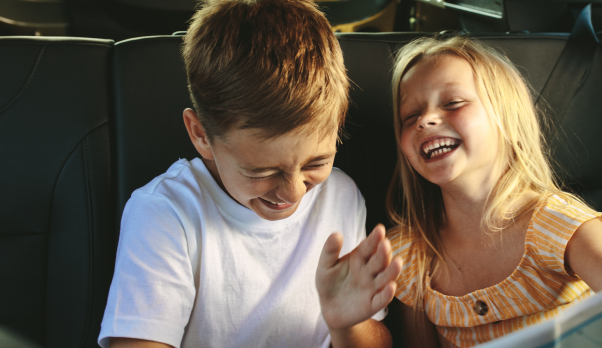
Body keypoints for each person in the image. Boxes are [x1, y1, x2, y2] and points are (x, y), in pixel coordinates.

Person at [98, 0, 402, 347]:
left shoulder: (341, 196)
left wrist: (347, 325)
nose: (293, 194)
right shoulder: (166, 214)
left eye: (316, 164)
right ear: (201, 136)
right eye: (262, 171)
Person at [384, 35, 602, 347]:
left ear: (506, 119)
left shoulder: (556, 224)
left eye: (453, 103)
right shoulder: (410, 253)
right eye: (410, 116)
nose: (426, 120)